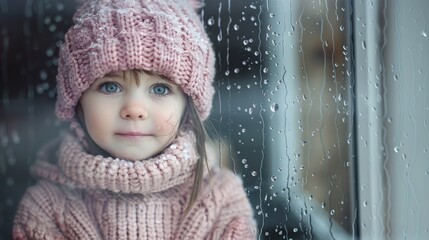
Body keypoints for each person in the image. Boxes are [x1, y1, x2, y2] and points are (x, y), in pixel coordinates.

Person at [12, 0, 256, 239]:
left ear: (188, 107)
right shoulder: (46, 209)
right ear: (76, 99)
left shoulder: (220, 199)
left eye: (160, 89)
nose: (134, 109)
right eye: (110, 87)